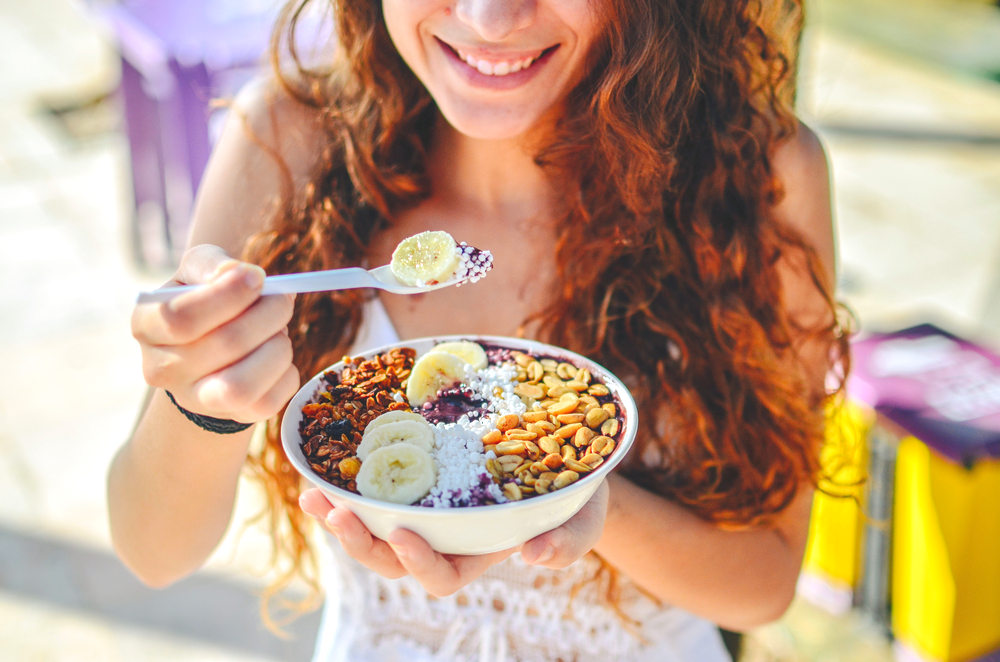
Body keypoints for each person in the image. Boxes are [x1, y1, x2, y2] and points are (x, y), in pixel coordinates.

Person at [108, 1, 851, 660]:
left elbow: (763, 585)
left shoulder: (759, 177)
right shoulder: (290, 139)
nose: (491, 18)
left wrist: (580, 499)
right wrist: (199, 398)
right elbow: (153, 551)